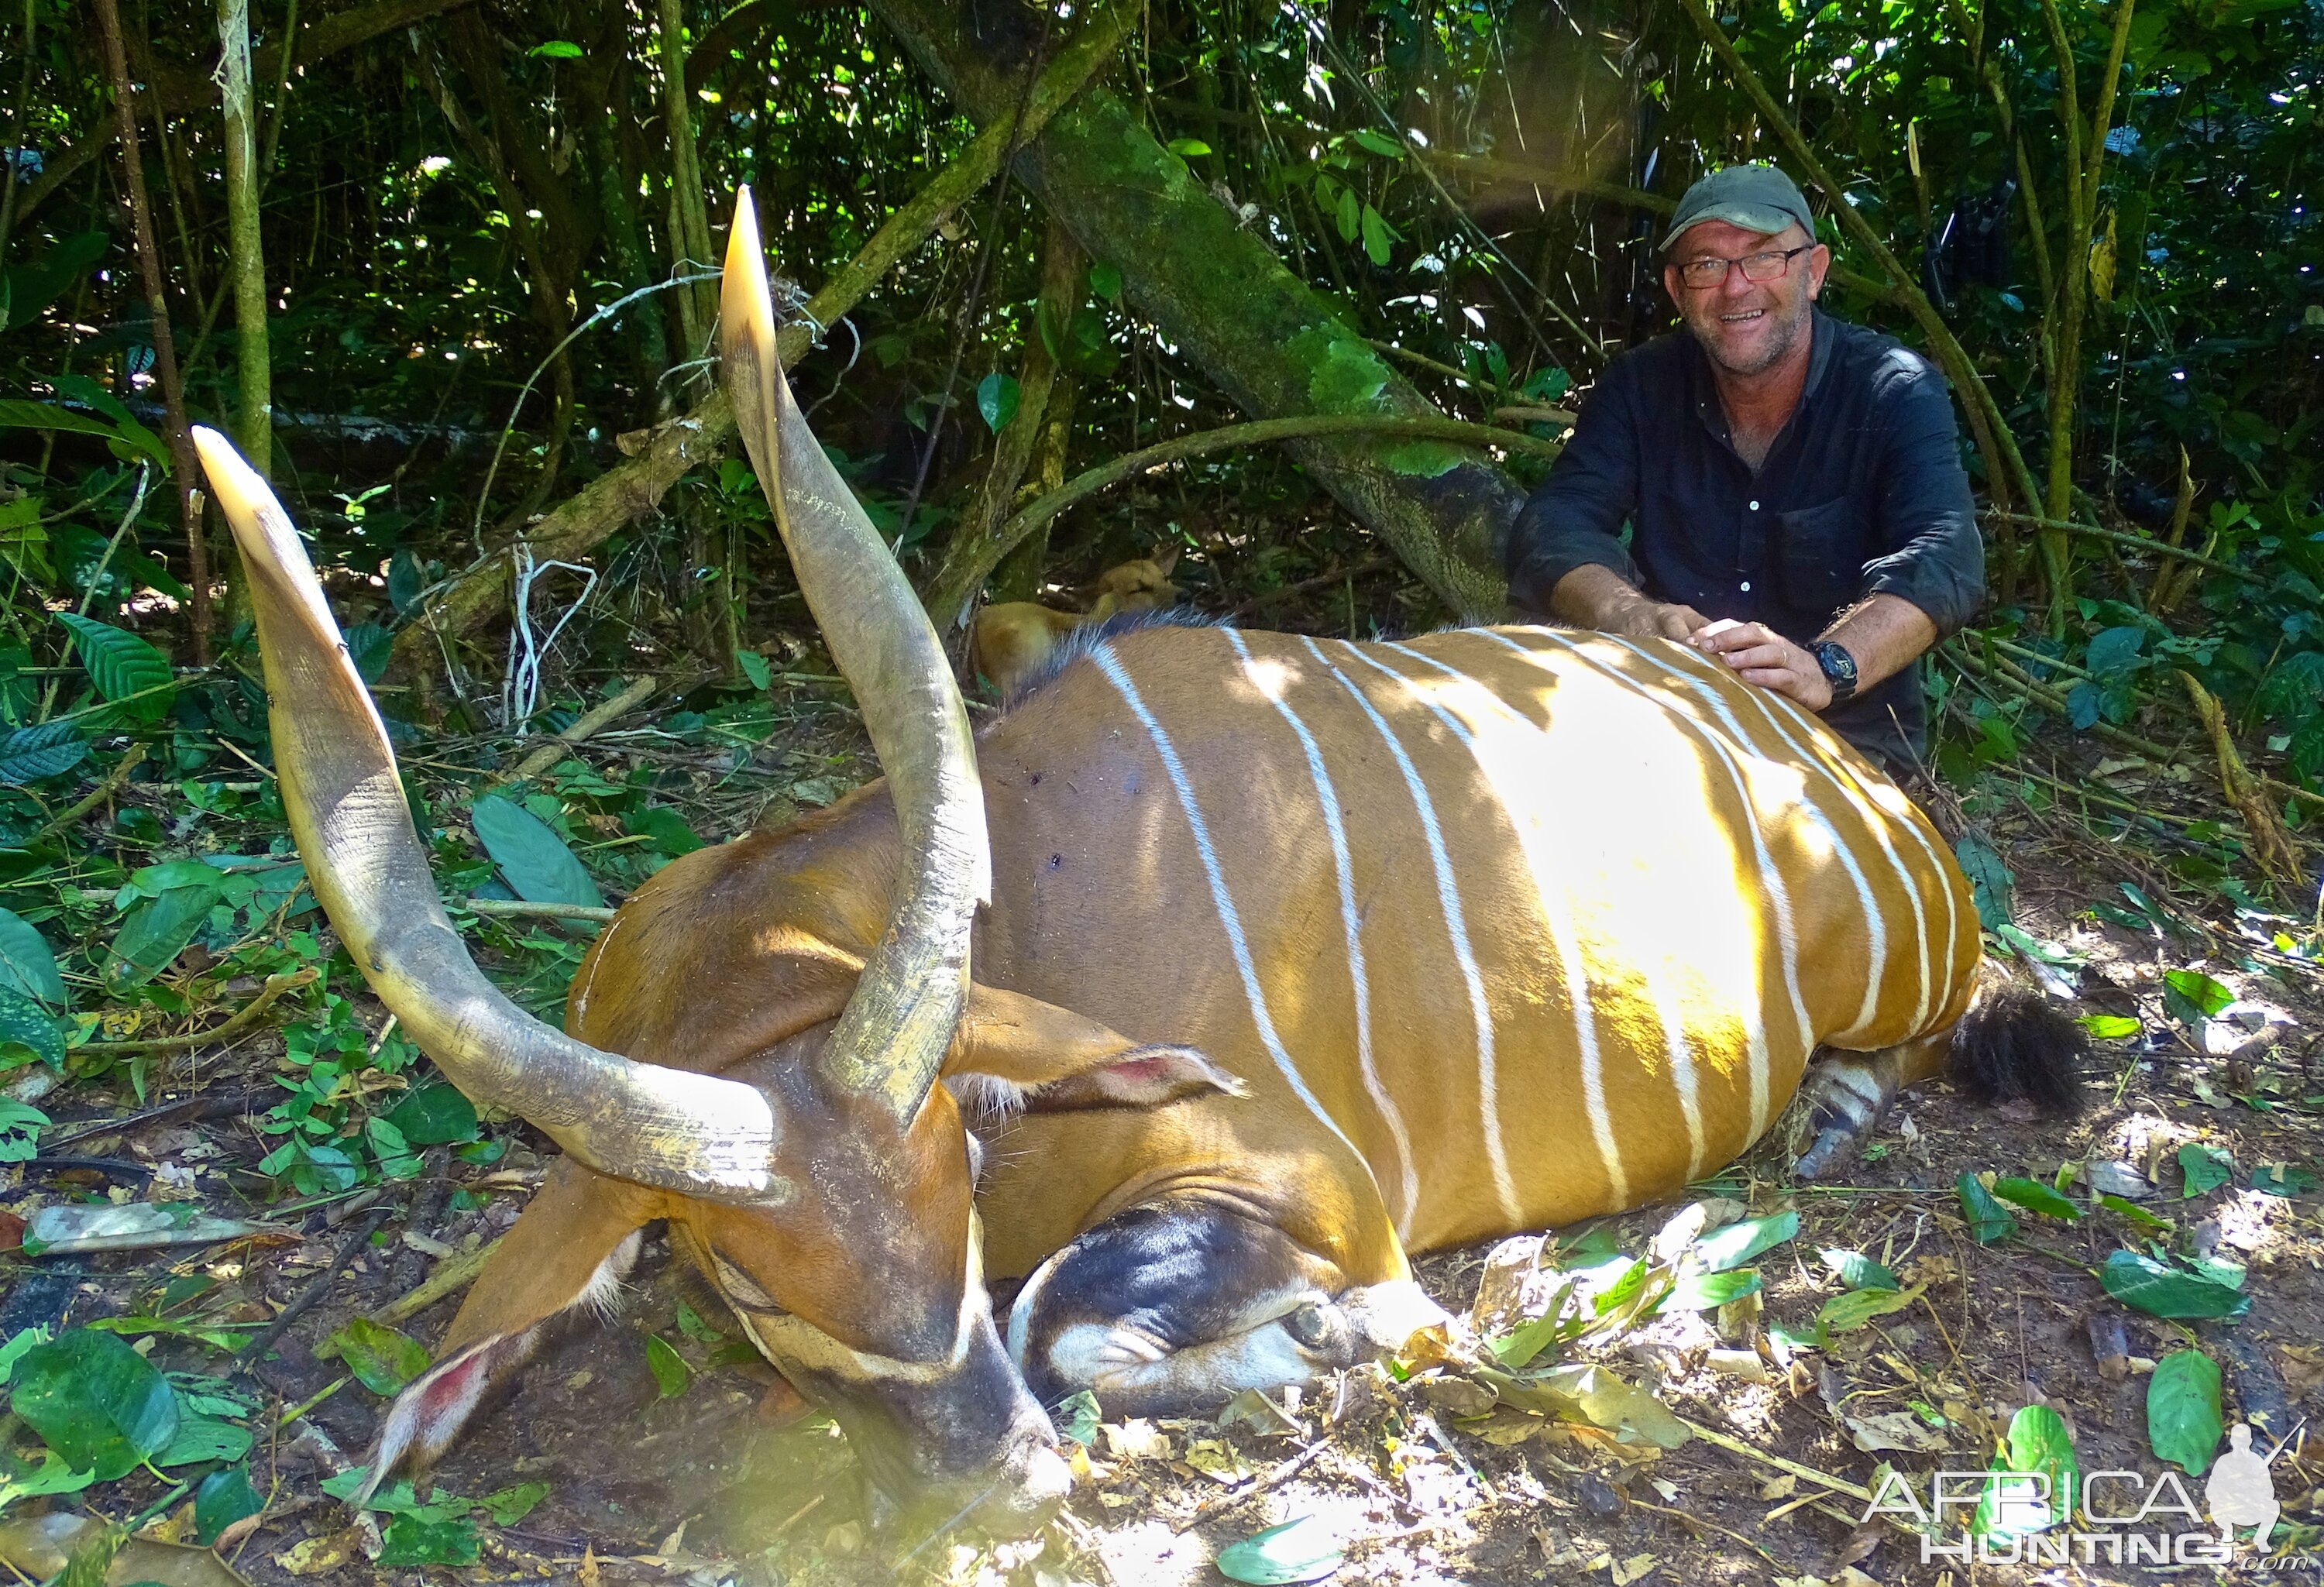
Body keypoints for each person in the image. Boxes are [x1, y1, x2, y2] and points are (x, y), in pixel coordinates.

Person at [1503, 163, 1985, 774]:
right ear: (1678, 291)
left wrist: (1825, 667)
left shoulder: (1892, 388)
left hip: (1840, 737)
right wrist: (1633, 615)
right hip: (1674, 716)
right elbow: (1554, 524)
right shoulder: (1641, 386)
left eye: (1763, 258)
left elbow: (1945, 556)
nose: (1736, 288)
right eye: (1707, 265)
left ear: (1813, 272)